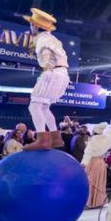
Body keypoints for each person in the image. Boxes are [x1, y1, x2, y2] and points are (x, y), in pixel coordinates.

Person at [22, 8, 70, 151]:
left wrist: (46, 69)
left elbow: (45, 57)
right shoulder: (53, 38)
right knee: (44, 107)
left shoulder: (43, 39)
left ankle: (42, 139)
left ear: (36, 25)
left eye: (31, 23)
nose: (30, 26)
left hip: (52, 73)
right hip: (63, 74)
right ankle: (55, 138)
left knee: (34, 106)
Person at [82, 115, 111, 208]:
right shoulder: (107, 137)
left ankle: (90, 202)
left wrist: (83, 164)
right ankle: (98, 201)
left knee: (90, 182)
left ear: (94, 132)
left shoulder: (92, 141)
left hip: (92, 163)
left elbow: (87, 154)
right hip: (101, 163)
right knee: (99, 182)